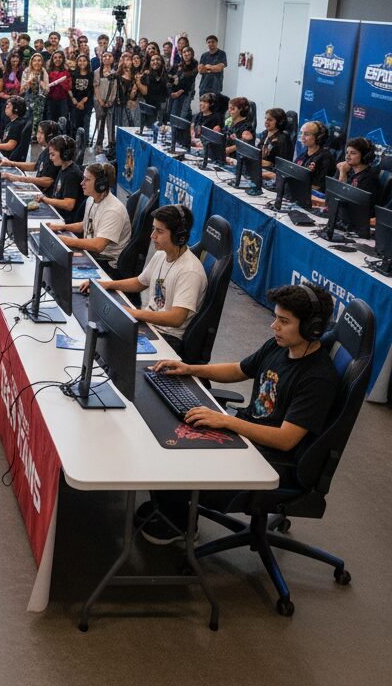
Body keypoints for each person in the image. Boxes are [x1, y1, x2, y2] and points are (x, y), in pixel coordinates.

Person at [141, 284, 339, 545]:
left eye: (283, 321)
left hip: (271, 455)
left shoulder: (317, 378)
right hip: (248, 431)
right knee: (168, 423)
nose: (274, 326)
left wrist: (226, 420)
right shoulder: (279, 346)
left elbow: (285, 440)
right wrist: (189, 368)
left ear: (311, 328)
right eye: (275, 318)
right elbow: (239, 369)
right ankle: (168, 508)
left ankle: (179, 525)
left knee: (177, 445)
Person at [83, 204, 207, 348]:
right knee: (99, 326)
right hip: (150, 325)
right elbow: (140, 282)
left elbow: (176, 318)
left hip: (167, 337)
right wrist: (107, 284)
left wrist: (134, 313)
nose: (152, 235)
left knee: (107, 343)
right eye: (153, 229)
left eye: (159, 231)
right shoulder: (162, 253)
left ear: (179, 237)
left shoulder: (190, 271)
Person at [47, 162, 131, 269]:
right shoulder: (91, 199)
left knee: (58, 263)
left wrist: (65, 240)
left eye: (87, 180)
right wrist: (62, 227)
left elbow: (98, 246)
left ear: (101, 184)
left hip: (105, 263)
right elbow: (87, 224)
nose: (82, 183)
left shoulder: (113, 210)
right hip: (92, 254)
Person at [0, 119, 57, 192]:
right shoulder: (46, 151)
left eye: (41, 133)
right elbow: (36, 166)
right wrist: (11, 163)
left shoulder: (53, 154)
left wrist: (19, 178)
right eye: (38, 132)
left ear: (49, 136)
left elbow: (48, 181)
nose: (38, 135)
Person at [38, 135, 84, 216]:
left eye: (53, 155)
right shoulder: (63, 168)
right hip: (57, 213)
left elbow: (68, 204)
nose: (50, 158)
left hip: (64, 220)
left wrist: (45, 199)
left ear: (64, 154)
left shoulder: (72, 174)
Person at [336, 137, 380, 211]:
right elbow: (334, 195)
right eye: (347, 152)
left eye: (353, 153)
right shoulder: (348, 170)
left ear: (364, 156)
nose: (348, 156)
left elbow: (345, 201)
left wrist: (342, 172)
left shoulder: (369, 178)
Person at [295, 121, 337, 193]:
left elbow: (319, 187)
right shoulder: (302, 155)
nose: (302, 137)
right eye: (301, 133)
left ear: (318, 137)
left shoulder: (325, 158)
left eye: (306, 134)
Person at [92, 52, 118, 154]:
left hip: (111, 102)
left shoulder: (115, 72)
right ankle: (99, 143)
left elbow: (115, 88)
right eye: (104, 56)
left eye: (109, 56)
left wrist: (111, 101)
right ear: (101, 59)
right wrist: (101, 101)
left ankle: (111, 143)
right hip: (99, 101)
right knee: (100, 122)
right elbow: (96, 87)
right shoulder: (97, 72)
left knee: (110, 123)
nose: (107, 58)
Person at [258, 107, 294, 174]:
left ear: (279, 122)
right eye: (266, 118)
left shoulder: (282, 139)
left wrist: (271, 164)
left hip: (273, 173)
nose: (266, 122)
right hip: (261, 168)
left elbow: (283, 164)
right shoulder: (265, 133)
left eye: (270, 120)